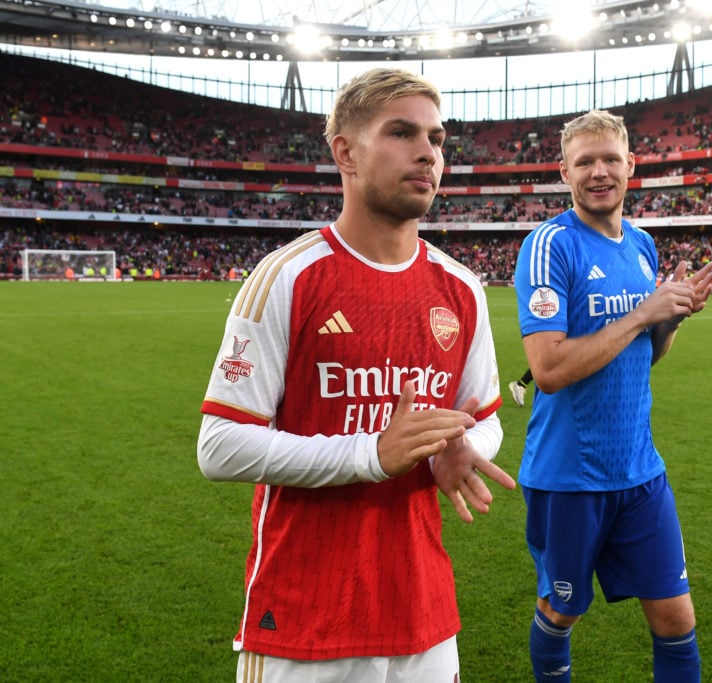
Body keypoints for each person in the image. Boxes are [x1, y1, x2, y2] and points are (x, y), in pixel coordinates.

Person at [196, 67, 515, 683]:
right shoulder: (288, 277)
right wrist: (372, 454)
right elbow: (220, 447)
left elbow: (485, 417)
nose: (427, 152)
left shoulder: (462, 289)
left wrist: (463, 446)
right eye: (401, 132)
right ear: (345, 151)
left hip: (424, 618)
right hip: (302, 623)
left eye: (437, 138)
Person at [513, 109, 712, 682]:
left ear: (631, 165)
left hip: (640, 471)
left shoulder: (643, 245)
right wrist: (644, 311)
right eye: (585, 162)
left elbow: (646, 355)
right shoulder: (550, 245)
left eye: (609, 160)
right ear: (564, 172)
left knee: (677, 618)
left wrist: (669, 321)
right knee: (562, 609)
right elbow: (548, 369)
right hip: (569, 477)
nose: (598, 172)